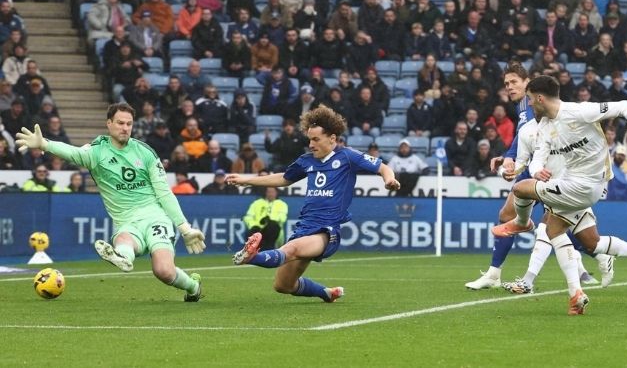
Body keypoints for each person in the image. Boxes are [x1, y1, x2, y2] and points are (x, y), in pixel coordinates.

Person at [494, 75, 627, 314]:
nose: (529, 104)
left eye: (531, 99)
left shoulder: (579, 111)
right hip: (573, 186)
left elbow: (625, 106)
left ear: (540, 98)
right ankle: (580, 292)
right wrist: (536, 170)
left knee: (521, 190)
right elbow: (537, 158)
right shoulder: (544, 127)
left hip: (588, 185)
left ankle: (522, 224)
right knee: (568, 235)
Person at [14, 103, 206, 301]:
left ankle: (193, 287)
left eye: (129, 124)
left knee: (164, 271)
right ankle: (122, 258)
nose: (125, 128)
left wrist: (185, 228)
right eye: (120, 123)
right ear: (109, 123)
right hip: (126, 223)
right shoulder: (97, 153)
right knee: (123, 240)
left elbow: (164, 193)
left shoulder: (145, 152)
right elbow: (73, 152)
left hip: (156, 217)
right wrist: (45, 144)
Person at [226, 107, 401, 303]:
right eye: (309, 139)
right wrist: (246, 180)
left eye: (316, 139)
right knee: (283, 286)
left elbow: (382, 167)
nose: (311, 144)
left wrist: (389, 180)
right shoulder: (306, 161)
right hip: (304, 227)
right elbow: (284, 178)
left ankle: (251, 256)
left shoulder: (348, 157)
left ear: (332, 138)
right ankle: (327, 293)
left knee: (290, 250)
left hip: (326, 231)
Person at [465, 63, 612, 291]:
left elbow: (548, 133)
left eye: (514, 82)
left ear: (527, 82)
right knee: (509, 215)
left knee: (554, 227)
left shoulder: (536, 103)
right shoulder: (523, 107)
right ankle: (496, 273)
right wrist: (508, 157)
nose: (510, 87)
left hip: (549, 167)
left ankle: (593, 259)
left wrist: (514, 160)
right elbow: (523, 136)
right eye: (506, 84)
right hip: (533, 166)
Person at [243, 186, 289, 250]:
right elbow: (248, 217)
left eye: (272, 192)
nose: (270, 194)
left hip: (273, 230)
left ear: (276, 193)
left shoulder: (282, 204)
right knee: (253, 230)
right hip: (258, 230)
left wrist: (270, 221)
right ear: (265, 193)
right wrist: (253, 225)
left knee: (272, 226)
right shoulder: (256, 203)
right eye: (268, 192)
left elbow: (282, 218)